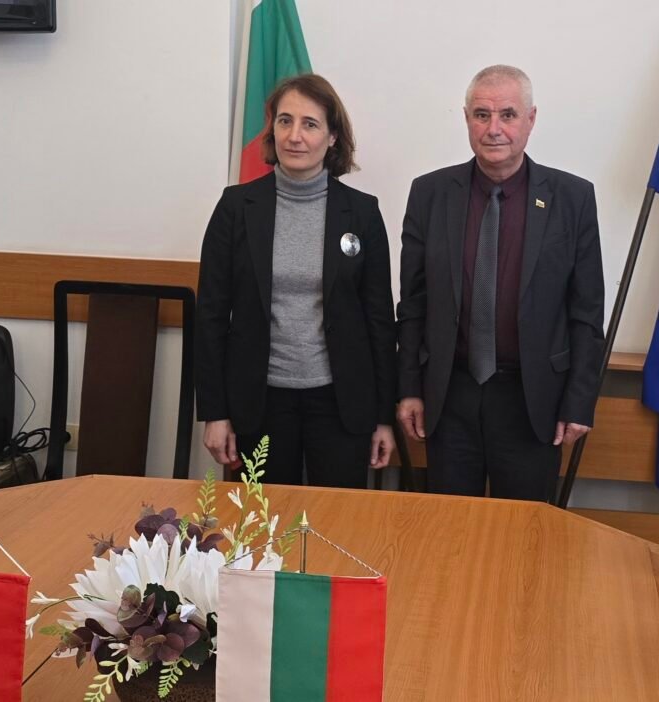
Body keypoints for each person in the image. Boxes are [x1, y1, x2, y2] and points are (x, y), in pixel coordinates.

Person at [396, 65, 605, 501]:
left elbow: (586, 311)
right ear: (466, 119)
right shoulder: (430, 194)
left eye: (507, 115)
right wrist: (410, 388)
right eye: (481, 115)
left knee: (524, 531)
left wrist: (579, 401)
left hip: (533, 401)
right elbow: (413, 304)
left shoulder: (573, 198)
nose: (494, 129)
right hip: (449, 397)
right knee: (451, 528)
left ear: (530, 119)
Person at [196, 73, 397, 488]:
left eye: (310, 124)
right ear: (272, 130)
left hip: (341, 401)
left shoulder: (362, 212)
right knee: (262, 521)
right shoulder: (236, 207)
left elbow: (378, 320)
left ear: (333, 136)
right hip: (259, 401)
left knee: (338, 518)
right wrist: (215, 412)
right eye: (285, 121)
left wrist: (383, 418)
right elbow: (211, 315)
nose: (294, 136)